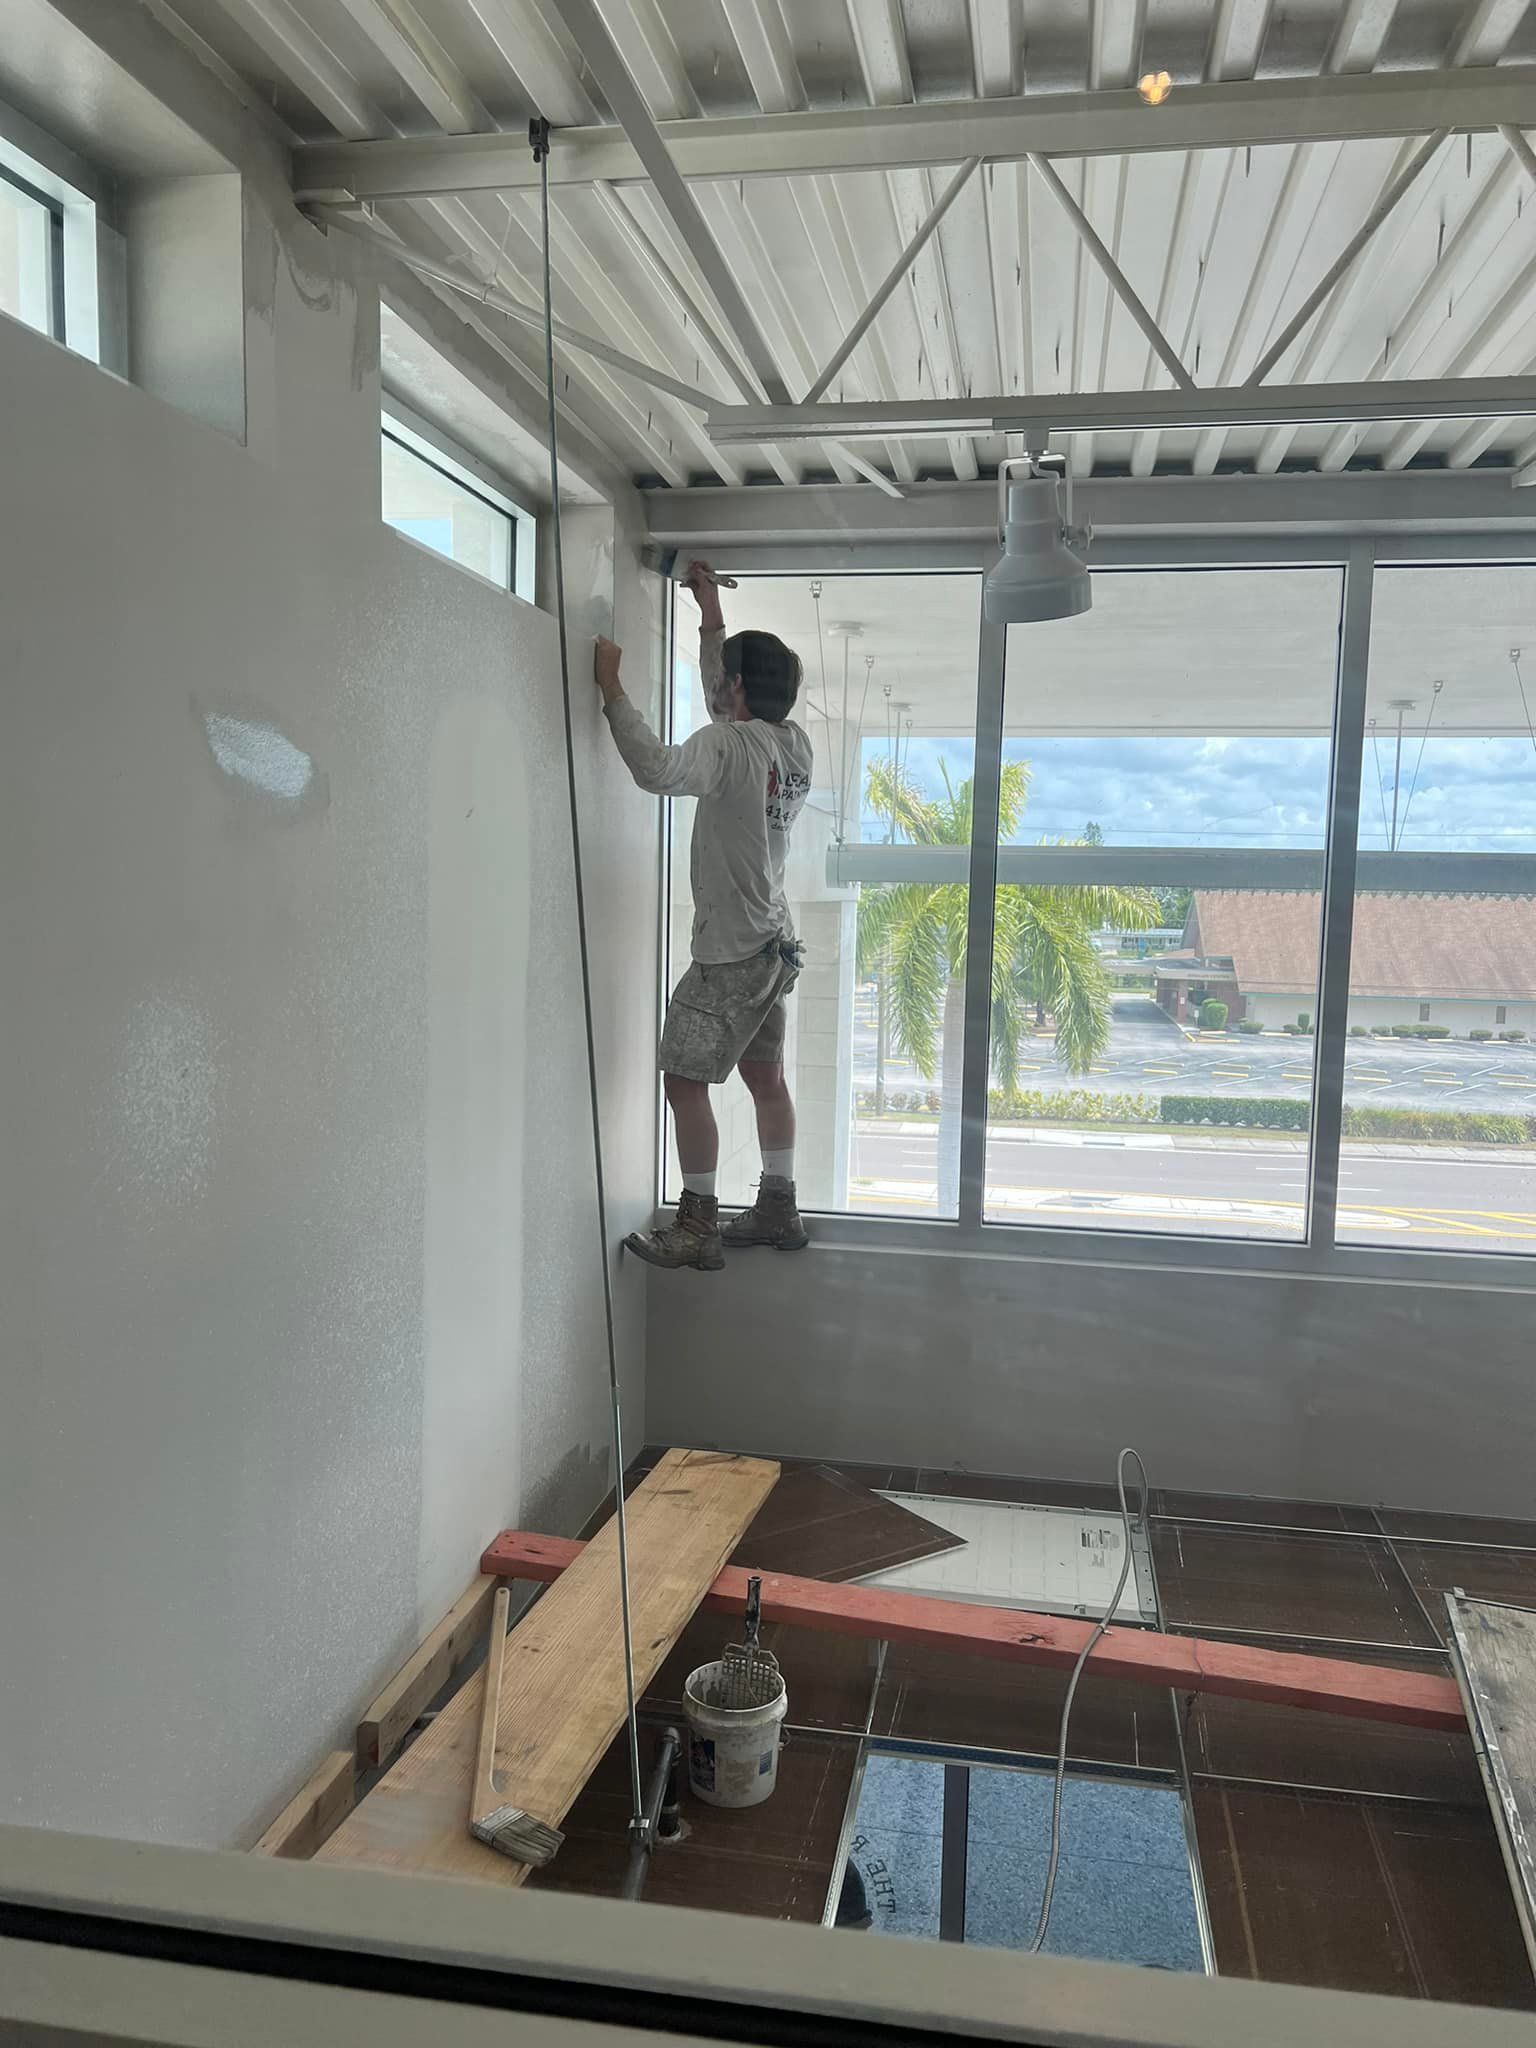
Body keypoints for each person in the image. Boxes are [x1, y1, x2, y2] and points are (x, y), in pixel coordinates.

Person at [594, 560, 813, 1271]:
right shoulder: (792, 745)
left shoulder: (726, 745)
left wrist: (612, 691)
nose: (716, 687)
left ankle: (697, 1225)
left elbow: (658, 770)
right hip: (775, 948)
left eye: (725, 679)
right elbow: (727, 697)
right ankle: (778, 1205)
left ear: (737, 689)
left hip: (728, 955)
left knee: (684, 1080)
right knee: (765, 1078)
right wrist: (709, 609)